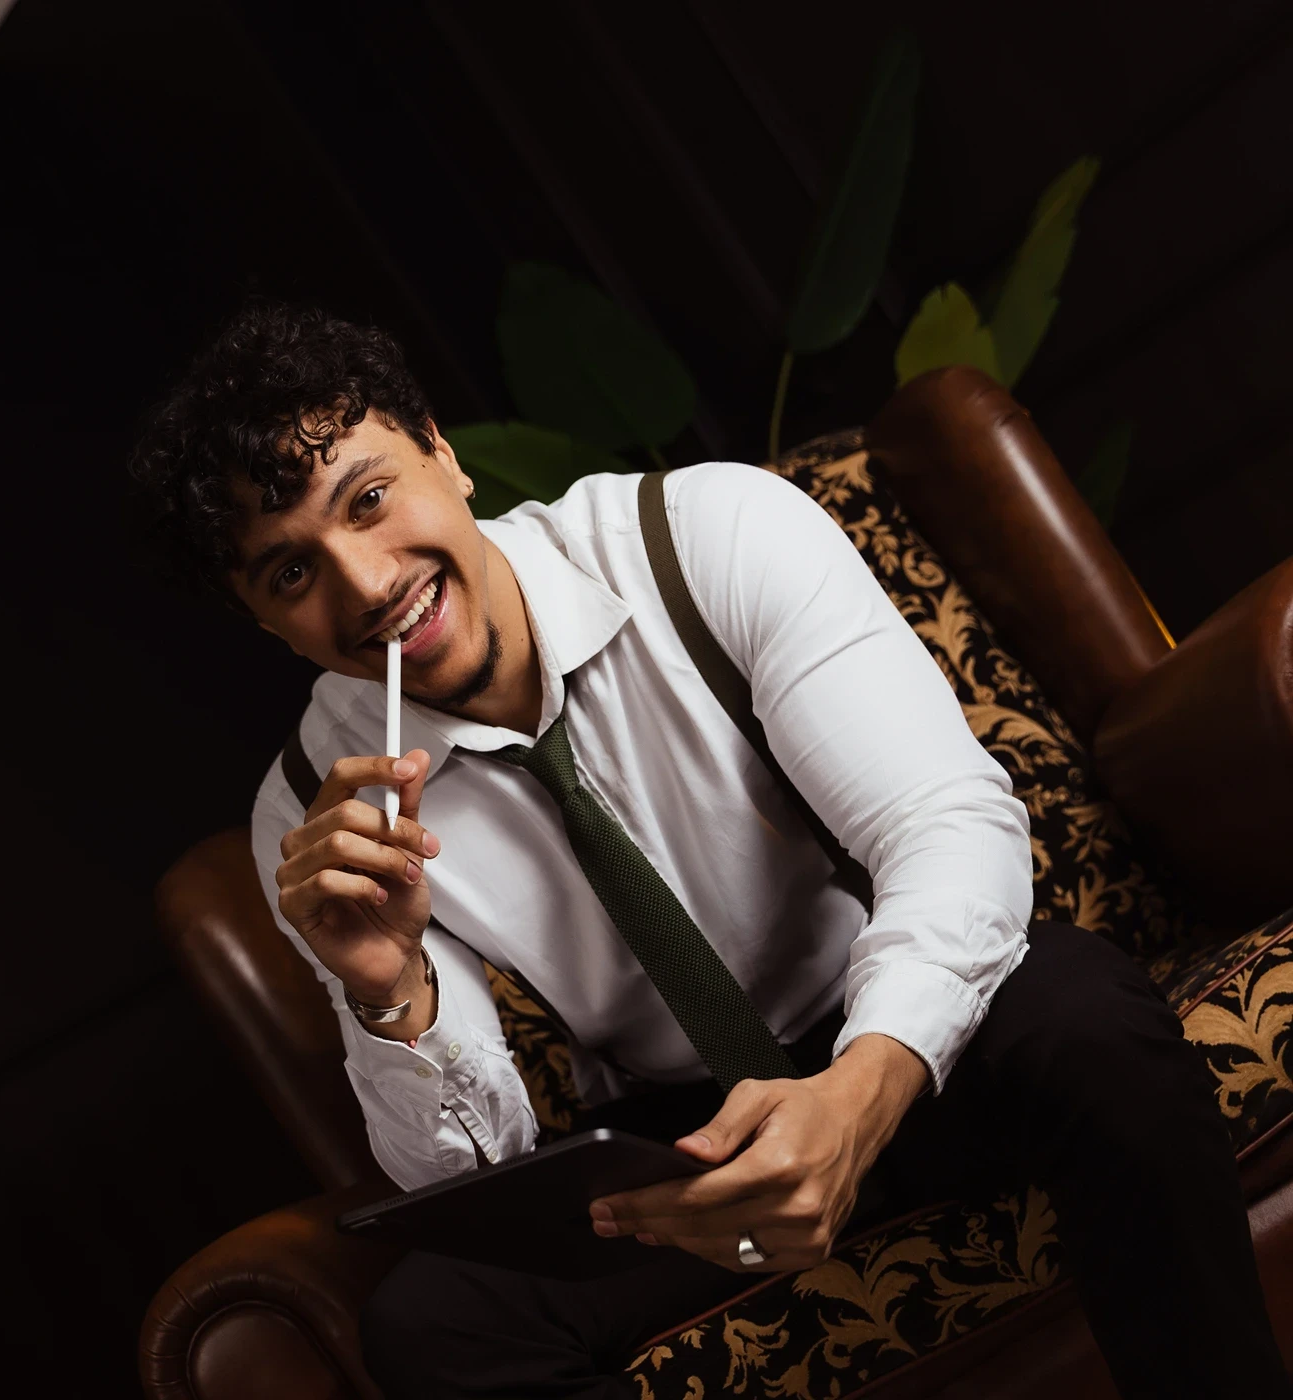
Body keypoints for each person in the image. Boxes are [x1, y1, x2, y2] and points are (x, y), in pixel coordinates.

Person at [130, 301, 1291, 1399]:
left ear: (442, 450)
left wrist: (858, 1090)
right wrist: (390, 991)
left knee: (1084, 1014)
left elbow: (945, 825)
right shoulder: (308, 814)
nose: (369, 582)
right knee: (438, 1330)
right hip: (681, 1138)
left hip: (910, 1025)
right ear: (264, 619)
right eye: (293, 569)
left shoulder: (705, 534)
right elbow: (462, 1183)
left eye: (369, 497)